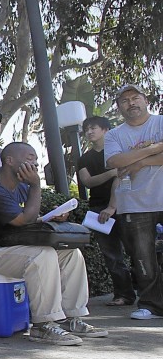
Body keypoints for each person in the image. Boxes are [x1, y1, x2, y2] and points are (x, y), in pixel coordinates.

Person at [0, 142, 107, 345]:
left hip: (12, 250)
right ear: (10, 160)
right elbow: (23, 220)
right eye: (30, 157)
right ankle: (43, 325)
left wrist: (50, 217)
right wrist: (36, 185)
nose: (35, 162)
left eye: (35, 158)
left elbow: (29, 218)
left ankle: (70, 318)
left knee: (71, 254)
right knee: (42, 255)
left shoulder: (21, 187)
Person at [104, 84, 163, 320]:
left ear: (145, 100)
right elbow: (114, 161)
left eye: (135, 97)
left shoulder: (159, 122)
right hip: (135, 204)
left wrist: (140, 163)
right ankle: (150, 305)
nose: (131, 103)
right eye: (125, 100)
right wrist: (155, 149)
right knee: (143, 257)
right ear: (119, 107)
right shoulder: (115, 134)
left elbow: (127, 161)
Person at [77, 116, 135, 306]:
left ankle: (150, 296)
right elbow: (87, 181)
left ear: (105, 129)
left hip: (126, 206)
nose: (89, 132)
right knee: (111, 255)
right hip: (97, 209)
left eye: (94, 128)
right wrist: (110, 173)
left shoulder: (119, 152)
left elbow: (123, 179)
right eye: (87, 129)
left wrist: (113, 206)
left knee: (138, 251)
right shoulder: (85, 158)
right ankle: (124, 294)